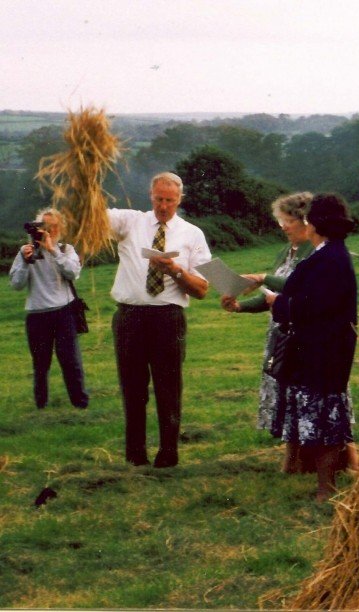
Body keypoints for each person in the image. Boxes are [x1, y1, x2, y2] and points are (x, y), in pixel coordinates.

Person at [108, 172, 211, 467]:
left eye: (170, 200)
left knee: (168, 387)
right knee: (132, 387)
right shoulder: (130, 221)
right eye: (158, 199)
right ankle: (135, 454)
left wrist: (175, 271)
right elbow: (91, 215)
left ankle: (168, 452)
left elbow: (203, 289)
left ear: (180, 199)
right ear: (150, 196)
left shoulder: (192, 234)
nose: (163, 206)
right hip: (130, 316)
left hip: (168, 318)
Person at [268, 193, 359, 501]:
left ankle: (326, 488)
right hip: (326, 349)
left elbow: (311, 307)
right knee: (324, 417)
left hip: (322, 351)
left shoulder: (327, 259)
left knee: (323, 419)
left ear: (316, 224)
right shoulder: (331, 254)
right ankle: (324, 484)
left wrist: (277, 303)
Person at [220, 192, 314, 472]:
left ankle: (317, 460)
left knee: (306, 396)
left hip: (304, 333)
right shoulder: (284, 253)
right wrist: (239, 307)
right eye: (281, 220)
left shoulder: (315, 252)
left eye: (289, 221)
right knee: (285, 394)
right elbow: (270, 296)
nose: (283, 227)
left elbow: (296, 286)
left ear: (305, 221)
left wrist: (262, 277)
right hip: (280, 332)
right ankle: (294, 458)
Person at [9, 208, 89, 410]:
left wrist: (53, 251)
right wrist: (26, 262)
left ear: (60, 228)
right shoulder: (26, 251)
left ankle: (80, 403)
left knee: (70, 361)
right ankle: (41, 405)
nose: (49, 231)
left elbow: (73, 273)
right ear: (37, 228)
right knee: (40, 364)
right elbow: (16, 284)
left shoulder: (65, 249)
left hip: (64, 312)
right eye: (45, 226)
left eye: (54, 227)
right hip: (37, 314)